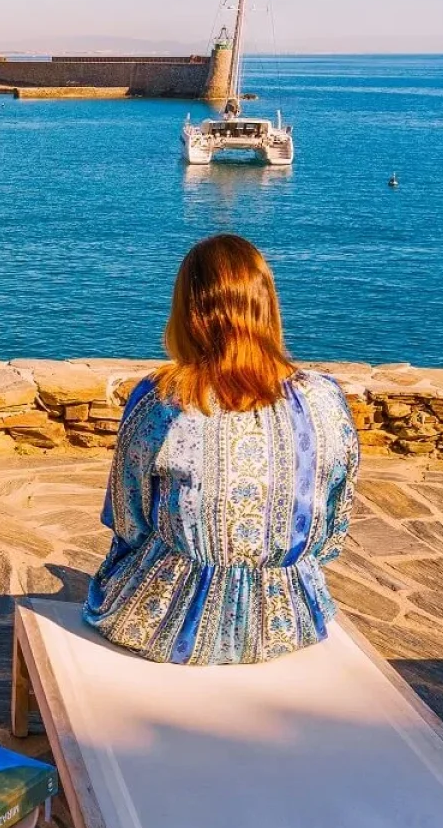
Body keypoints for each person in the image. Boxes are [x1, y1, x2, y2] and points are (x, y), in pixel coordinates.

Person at [83, 233, 361, 666]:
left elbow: (127, 518)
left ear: (190, 312)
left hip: (167, 620)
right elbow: (334, 521)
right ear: (266, 307)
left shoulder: (165, 401)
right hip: (289, 619)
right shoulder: (325, 398)